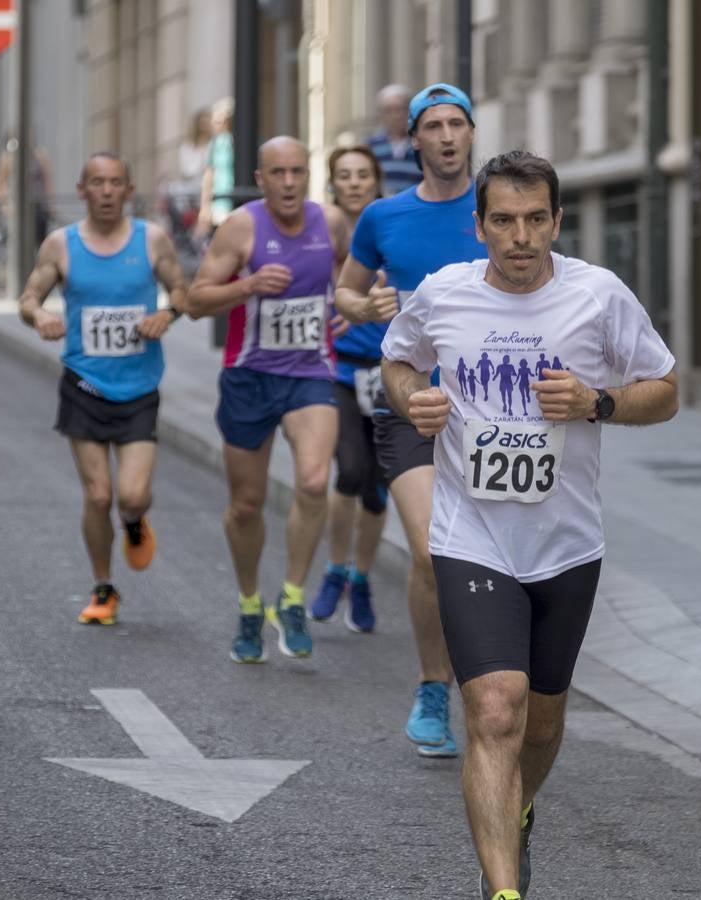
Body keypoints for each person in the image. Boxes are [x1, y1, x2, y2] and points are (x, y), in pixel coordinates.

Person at [382, 150, 678, 900]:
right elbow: (399, 362)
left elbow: (667, 391)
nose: (521, 237)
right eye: (504, 221)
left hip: (567, 543)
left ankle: (516, 809)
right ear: (479, 225)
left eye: (535, 219)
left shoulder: (598, 295)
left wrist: (597, 403)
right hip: (470, 533)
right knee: (492, 706)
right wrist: (413, 401)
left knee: (540, 724)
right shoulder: (443, 294)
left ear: (556, 221)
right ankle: (505, 891)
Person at [335, 83, 487, 759]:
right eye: (435, 126)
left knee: (496, 558)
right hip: (410, 404)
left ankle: (493, 680)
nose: (448, 136)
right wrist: (362, 307)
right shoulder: (382, 216)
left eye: (458, 124)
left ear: (471, 134)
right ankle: (433, 688)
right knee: (429, 551)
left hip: (494, 411)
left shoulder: (501, 210)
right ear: (415, 139)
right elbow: (346, 286)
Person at [184, 136, 350, 663]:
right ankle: (251, 603)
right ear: (260, 178)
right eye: (277, 172)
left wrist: (346, 303)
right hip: (249, 375)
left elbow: (351, 275)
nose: (288, 183)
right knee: (246, 504)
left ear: (308, 176)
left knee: (313, 481)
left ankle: (293, 598)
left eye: (297, 172)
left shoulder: (333, 223)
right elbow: (195, 300)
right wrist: (248, 284)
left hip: (310, 373)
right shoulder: (242, 227)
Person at [16, 152, 189, 626]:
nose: (107, 191)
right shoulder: (61, 245)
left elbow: (182, 291)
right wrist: (40, 316)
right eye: (98, 182)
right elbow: (29, 297)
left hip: (138, 388)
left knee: (131, 496)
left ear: (129, 190)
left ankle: (133, 523)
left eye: (116, 183)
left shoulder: (151, 240)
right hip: (84, 385)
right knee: (97, 496)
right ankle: (103, 587)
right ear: (82, 190)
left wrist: (167, 314)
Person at [312, 144, 387, 631]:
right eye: (345, 175)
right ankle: (335, 570)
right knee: (350, 472)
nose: (355, 182)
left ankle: (360, 579)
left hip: (390, 372)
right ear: (334, 184)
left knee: (378, 490)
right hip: (340, 370)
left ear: (376, 181)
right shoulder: (322, 234)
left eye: (363, 174)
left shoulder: (393, 229)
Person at [0, 129, 55, 242]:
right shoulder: (7, 157)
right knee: (20, 240)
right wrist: (6, 204)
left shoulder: (40, 155)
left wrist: (51, 204)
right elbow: (0, 185)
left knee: (40, 240)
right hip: (17, 207)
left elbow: (47, 181)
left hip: (39, 206)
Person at [368, 84, 423, 197]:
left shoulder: (421, 144)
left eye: (399, 109)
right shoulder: (370, 146)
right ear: (381, 114)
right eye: (388, 110)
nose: (395, 116)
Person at [195, 98, 236, 239]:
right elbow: (208, 175)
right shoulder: (215, 144)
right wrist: (205, 207)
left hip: (235, 198)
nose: (215, 125)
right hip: (219, 199)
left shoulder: (237, 140)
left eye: (219, 121)